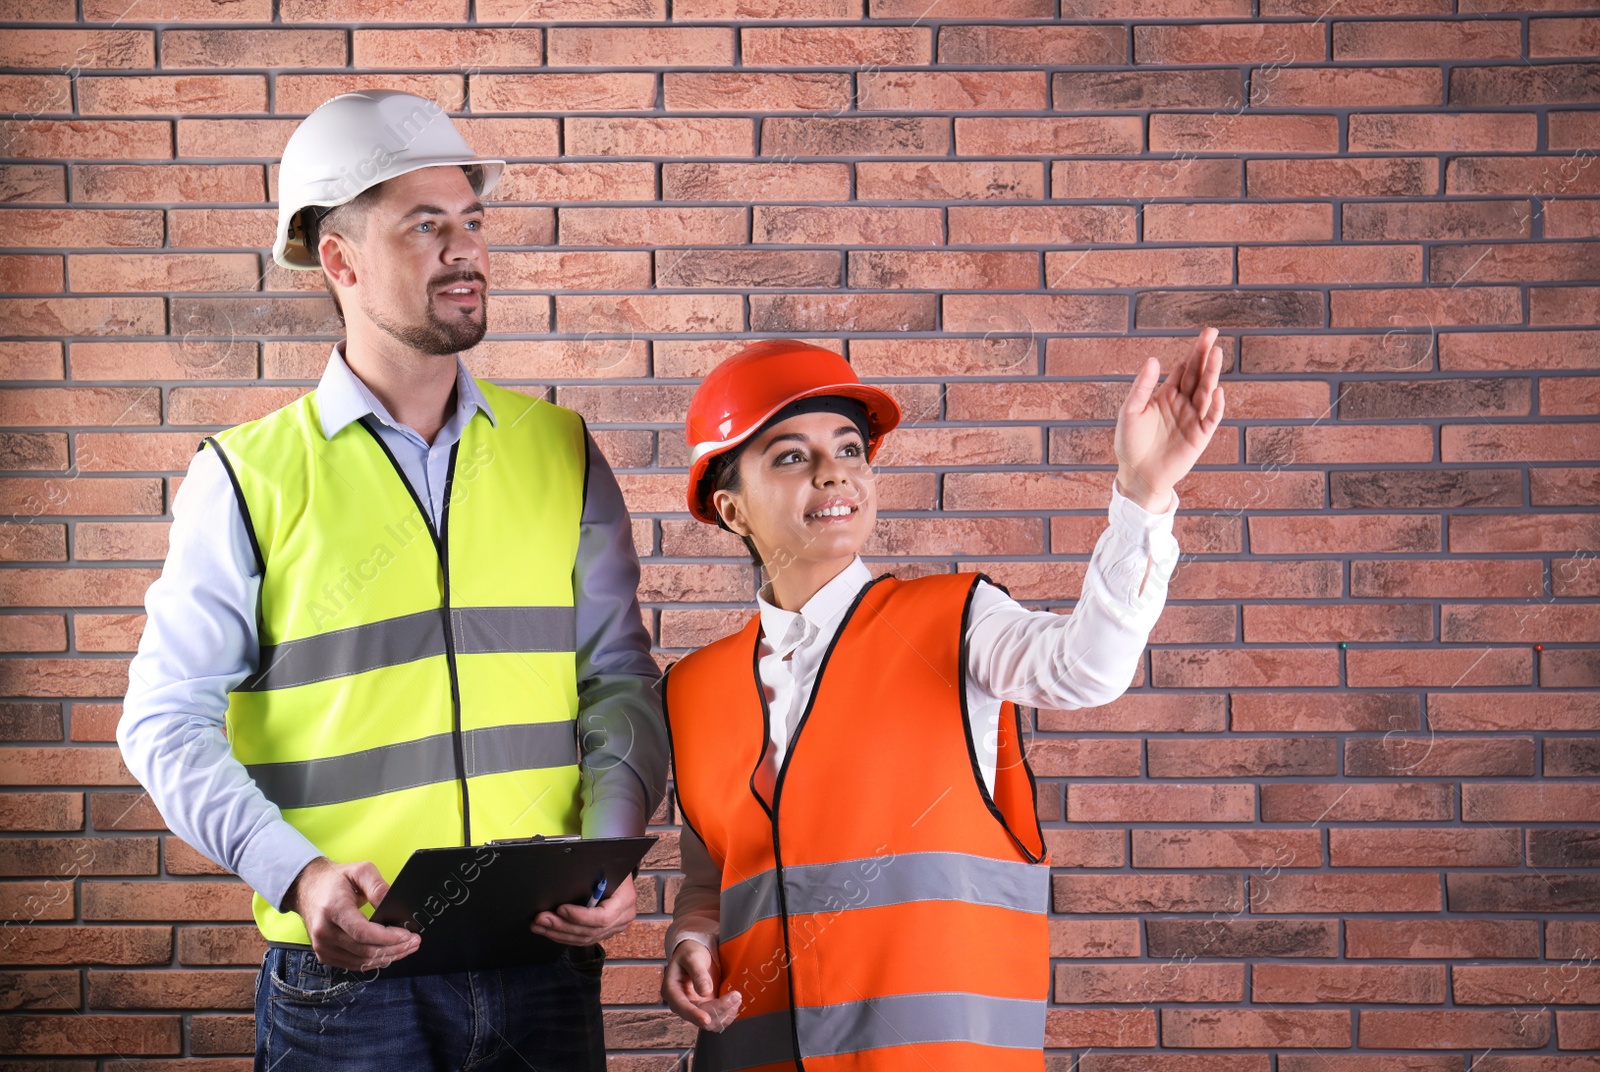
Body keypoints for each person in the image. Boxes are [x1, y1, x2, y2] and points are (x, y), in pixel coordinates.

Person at [118, 90, 668, 1071]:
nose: (465, 249)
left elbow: (617, 675)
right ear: (340, 259)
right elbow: (163, 719)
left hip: (541, 959)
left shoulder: (560, 451)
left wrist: (610, 847)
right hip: (346, 981)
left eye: (472, 222)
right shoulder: (248, 476)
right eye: (425, 226)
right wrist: (297, 876)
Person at [658, 332, 1225, 1069]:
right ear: (731, 509)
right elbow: (713, 878)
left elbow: (1087, 668)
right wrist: (691, 942)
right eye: (792, 456)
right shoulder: (691, 689)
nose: (836, 474)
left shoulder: (956, 621)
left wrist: (1144, 499)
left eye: (851, 449)